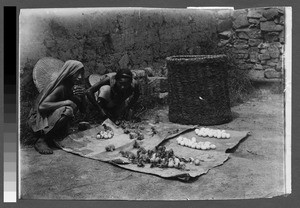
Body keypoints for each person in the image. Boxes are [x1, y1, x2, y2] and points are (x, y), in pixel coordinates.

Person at [28, 60, 86, 154]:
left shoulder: (71, 86)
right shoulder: (61, 87)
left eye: (81, 73)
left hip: (49, 116)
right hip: (38, 119)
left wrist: (83, 97)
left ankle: (55, 135)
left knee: (73, 106)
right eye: (77, 73)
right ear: (69, 73)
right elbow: (42, 107)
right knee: (67, 109)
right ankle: (41, 140)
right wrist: (67, 102)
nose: (80, 77)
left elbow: (83, 110)